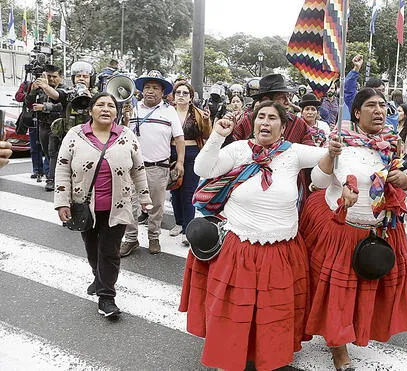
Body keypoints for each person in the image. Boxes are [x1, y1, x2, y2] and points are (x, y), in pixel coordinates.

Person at [179, 100, 341, 371]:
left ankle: (269, 356)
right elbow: (203, 169)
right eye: (260, 117)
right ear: (253, 123)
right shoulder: (239, 149)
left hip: (281, 249)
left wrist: (334, 150)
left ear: (284, 126)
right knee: (235, 310)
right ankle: (229, 357)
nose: (265, 122)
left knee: (274, 311)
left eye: (272, 118)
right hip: (239, 246)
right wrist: (218, 135)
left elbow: (323, 174)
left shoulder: (294, 153)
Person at [300, 88, 407, 370]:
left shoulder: (394, 145)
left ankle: (354, 329)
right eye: (370, 105)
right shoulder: (341, 142)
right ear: (356, 113)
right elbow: (318, 178)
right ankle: (338, 350)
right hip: (343, 229)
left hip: (381, 229)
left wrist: (403, 178)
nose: (379, 111)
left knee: (363, 289)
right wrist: (331, 158)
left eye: (382, 106)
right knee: (337, 292)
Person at [53, 92, 152, 317]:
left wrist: (145, 199)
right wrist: (61, 202)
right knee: (91, 248)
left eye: (110, 106)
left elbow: (138, 170)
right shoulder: (75, 134)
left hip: (118, 206)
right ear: (91, 111)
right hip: (84, 206)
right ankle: (98, 277)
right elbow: (62, 168)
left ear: (117, 112)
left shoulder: (126, 135)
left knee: (109, 251)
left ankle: (106, 297)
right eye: (100, 105)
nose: (105, 109)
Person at [120, 70, 185, 256]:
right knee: (130, 204)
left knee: (155, 205)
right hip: (132, 167)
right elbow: (123, 135)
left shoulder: (169, 111)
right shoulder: (133, 108)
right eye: (147, 87)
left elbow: (179, 139)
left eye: (155, 88)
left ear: (162, 92)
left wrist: (179, 162)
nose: (150, 91)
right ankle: (131, 239)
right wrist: (125, 118)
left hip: (158, 166)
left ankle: (154, 236)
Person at [168, 81, 212, 244]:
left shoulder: (199, 114)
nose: (181, 95)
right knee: (174, 189)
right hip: (171, 153)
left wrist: (207, 121)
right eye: (178, 92)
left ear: (191, 97)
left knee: (188, 190)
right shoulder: (168, 112)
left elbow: (207, 134)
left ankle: (188, 226)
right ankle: (179, 222)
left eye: (185, 93)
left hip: (192, 152)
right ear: (173, 96)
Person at [25, 64, 68, 192]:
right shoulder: (40, 87)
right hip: (42, 124)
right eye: (49, 76)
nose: (51, 79)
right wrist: (33, 90)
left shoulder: (64, 90)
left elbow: (62, 105)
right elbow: (28, 102)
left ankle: (51, 180)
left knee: (53, 152)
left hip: (57, 126)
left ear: (60, 77)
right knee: (47, 153)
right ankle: (54, 175)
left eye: (54, 77)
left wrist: (45, 107)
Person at [15, 79, 48, 181]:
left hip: (47, 118)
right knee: (34, 145)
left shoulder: (49, 84)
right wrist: (31, 91)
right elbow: (18, 97)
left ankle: (48, 171)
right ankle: (37, 169)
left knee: (49, 146)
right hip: (32, 117)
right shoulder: (27, 84)